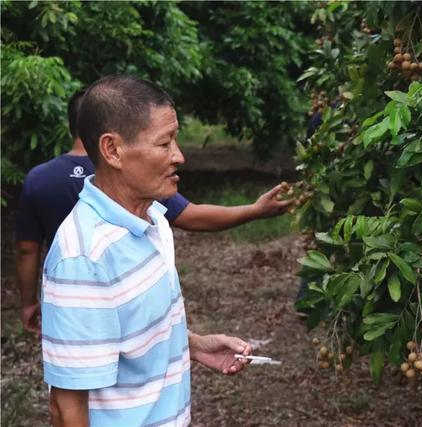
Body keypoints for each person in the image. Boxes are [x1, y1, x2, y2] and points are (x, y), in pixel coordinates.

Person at [42, 75, 260, 426]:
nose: (179, 156)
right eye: (164, 144)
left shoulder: (154, 219)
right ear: (112, 150)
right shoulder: (83, 258)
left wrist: (195, 345)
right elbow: (66, 409)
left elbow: (129, 331)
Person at [16, 90, 293, 335]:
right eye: (164, 143)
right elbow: (193, 216)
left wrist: (29, 300)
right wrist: (254, 211)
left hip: (71, 304)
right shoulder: (133, 178)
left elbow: (28, 249)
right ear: (110, 142)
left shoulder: (40, 179)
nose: (178, 156)